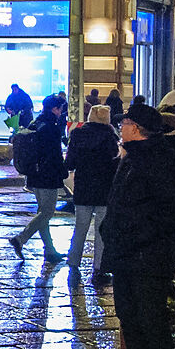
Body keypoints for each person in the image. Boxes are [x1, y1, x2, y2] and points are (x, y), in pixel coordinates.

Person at [104, 104, 175, 349]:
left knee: (151, 322)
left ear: (137, 128)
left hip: (148, 256)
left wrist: (138, 236)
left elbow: (172, 210)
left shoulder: (159, 159)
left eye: (125, 123)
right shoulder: (133, 157)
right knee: (130, 319)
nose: (121, 127)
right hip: (128, 254)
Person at [9, 97, 69, 261]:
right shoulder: (51, 128)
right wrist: (63, 172)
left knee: (42, 212)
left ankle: (49, 250)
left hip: (34, 175)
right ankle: (20, 239)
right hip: (48, 176)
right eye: (60, 109)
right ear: (54, 109)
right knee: (47, 212)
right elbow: (54, 155)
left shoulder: (35, 123)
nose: (61, 112)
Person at [64, 106, 118, 282]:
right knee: (102, 230)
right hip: (104, 188)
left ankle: (73, 260)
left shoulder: (78, 134)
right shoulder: (110, 137)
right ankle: (99, 267)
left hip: (84, 186)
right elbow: (115, 164)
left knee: (80, 226)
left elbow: (70, 163)